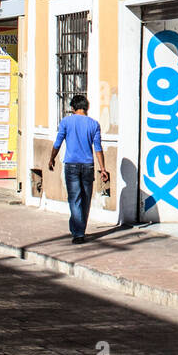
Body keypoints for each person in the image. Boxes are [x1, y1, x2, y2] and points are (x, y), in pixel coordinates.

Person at [47, 94, 106, 244]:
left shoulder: (66, 122)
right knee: (85, 199)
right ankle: (80, 230)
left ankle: (78, 232)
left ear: (73, 108)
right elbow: (98, 148)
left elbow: (58, 142)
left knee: (74, 198)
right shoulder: (94, 124)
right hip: (88, 165)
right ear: (87, 107)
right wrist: (103, 168)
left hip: (71, 165)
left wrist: (52, 158)